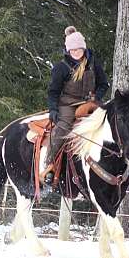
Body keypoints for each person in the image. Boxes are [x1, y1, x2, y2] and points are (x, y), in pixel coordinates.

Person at [44, 26, 110, 183]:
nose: (75, 53)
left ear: (83, 48)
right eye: (72, 51)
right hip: (68, 105)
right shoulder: (61, 68)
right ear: (68, 51)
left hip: (90, 103)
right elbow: (53, 91)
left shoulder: (93, 64)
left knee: (108, 124)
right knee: (63, 129)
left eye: (78, 50)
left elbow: (103, 84)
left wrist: (97, 97)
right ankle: (49, 165)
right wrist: (53, 109)